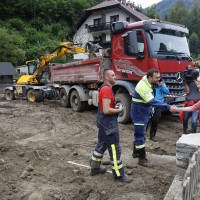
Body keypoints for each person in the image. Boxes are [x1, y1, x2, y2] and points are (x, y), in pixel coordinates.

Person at [89, 69, 132, 183]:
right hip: (108, 125)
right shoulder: (107, 90)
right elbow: (107, 110)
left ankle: (94, 168)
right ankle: (119, 175)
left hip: (103, 124)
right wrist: (119, 109)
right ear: (107, 78)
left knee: (101, 145)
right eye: (113, 75)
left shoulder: (105, 88)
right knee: (114, 149)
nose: (115, 76)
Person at [131, 68, 176, 167]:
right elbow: (152, 101)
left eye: (159, 77)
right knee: (140, 136)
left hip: (143, 112)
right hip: (139, 113)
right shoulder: (143, 86)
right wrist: (167, 106)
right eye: (156, 78)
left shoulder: (148, 82)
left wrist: (159, 84)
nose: (158, 80)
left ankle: (135, 153)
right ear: (149, 77)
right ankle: (142, 159)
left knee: (140, 133)